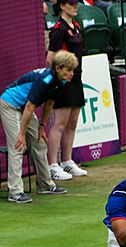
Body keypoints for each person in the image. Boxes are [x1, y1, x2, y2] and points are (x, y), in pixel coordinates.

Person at [0, 51, 78, 204]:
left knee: (39, 143)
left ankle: (45, 185)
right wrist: (22, 134)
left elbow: (49, 103)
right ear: (58, 69)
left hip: (24, 107)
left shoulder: (59, 81)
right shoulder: (45, 80)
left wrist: (41, 126)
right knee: (17, 145)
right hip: (10, 104)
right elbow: (30, 106)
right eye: (68, 70)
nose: (71, 74)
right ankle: (15, 191)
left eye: (72, 70)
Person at [46, 0, 87, 181]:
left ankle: (67, 161)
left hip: (77, 79)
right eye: (71, 3)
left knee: (73, 122)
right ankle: (52, 165)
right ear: (62, 6)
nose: (75, 6)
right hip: (64, 81)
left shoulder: (76, 26)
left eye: (76, 3)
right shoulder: (59, 29)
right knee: (60, 124)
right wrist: (60, 78)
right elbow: (50, 59)